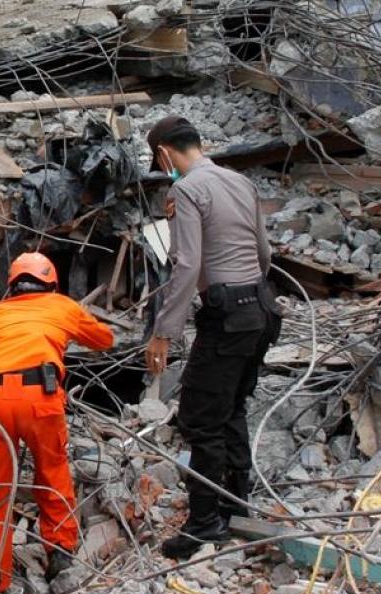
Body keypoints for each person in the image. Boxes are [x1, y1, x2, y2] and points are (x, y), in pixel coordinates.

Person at [143, 116, 282, 560]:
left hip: (227, 316)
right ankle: (236, 504)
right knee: (230, 408)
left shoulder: (185, 189)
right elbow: (264, 253)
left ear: (165, 153)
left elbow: (185, 265)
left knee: (200, 418)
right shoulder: (239, 181)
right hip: (261, 308)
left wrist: (164, 332)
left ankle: (205, 524)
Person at [0, 253, 114, 594]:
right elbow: (105, 339)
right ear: (51, 284)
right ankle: (60, 552)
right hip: (41, 397)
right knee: (52, 472)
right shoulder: (61, 306)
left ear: (12, 285)